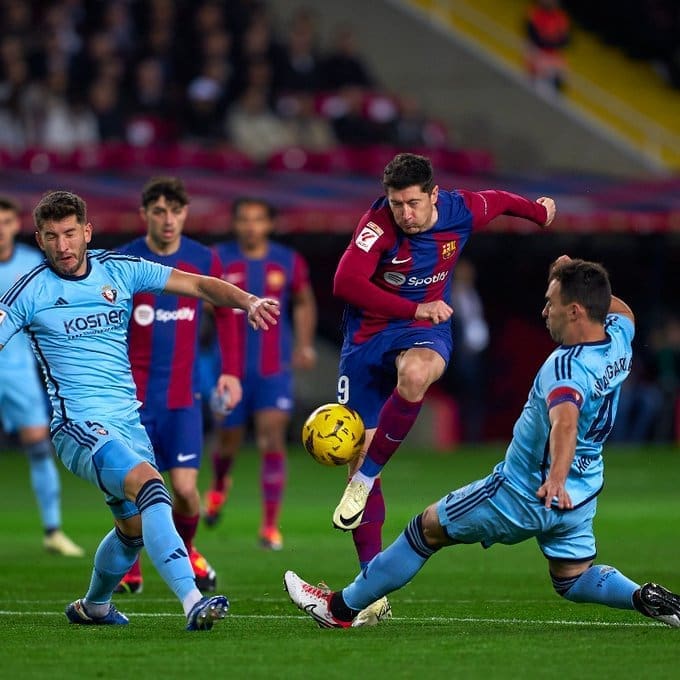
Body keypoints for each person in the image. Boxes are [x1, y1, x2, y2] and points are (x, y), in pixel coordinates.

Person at [284, 256, 680, 629]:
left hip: (525, 490)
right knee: (573, 579)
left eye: (552, 303)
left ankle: (338, 609)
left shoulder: (566, 367)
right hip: (583, 493)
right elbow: (622, 311)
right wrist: (580, 280)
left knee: (425, 531)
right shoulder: (618, 339)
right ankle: (644, 597)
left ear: (575, 310)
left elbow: (565, 423)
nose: (545, 312)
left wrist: (555, 478)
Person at [0, 190, 279, 630]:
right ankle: (192, 600)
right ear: (39, 238)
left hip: (128, 423)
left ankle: (93, 607)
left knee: (131, 530)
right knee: (153, 488)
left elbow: (199, 284)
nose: (63, 246)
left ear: (87, 232)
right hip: (78, 427)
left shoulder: (120, 270)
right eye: (51, 237)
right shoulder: (31, 290)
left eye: (71, 233)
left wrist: (248, 301)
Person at [331, 152, 555, 576]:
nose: (405, 213)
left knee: (415, 374)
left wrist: (539, 213)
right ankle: (368, 585)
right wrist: (413, 309)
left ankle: (363, 483)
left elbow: (502, 199)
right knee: (358, 453)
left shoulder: (460, 209)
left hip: (423, 331)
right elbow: (345, 282)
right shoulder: (377, 225)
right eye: (396, 204)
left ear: (434, 195)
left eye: (413, 203)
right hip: (366, 339)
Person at [114, 176, 238, 594]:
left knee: (185, 491)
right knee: (136, 490)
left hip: (183, 396)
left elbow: (224, 312)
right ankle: (130, 564)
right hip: (134, 399)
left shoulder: (203, 258)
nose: (169, 220)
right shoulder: (126, 260)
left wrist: (231, 371)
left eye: (176, 211)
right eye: (159, 212)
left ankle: (185, 550)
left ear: (186, 213)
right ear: (145, 214)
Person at [203, 197, 317, 550]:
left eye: (258, 220)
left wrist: (305, 344)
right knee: (229, 440)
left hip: (273, 369)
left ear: (269, 224)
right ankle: (221, 484)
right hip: (231, 369)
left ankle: (269, 526)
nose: (251, 226)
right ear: (235, 224)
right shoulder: (219, 258)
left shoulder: (287, 261)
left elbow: (303, 300)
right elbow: (203, 296)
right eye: (244, 220)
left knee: (272, 438)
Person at [0, 196, 84, 557]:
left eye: (4, 222)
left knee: (38, 448)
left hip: (19, 373)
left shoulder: (33, 264)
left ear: (16, 226)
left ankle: (53, 530)